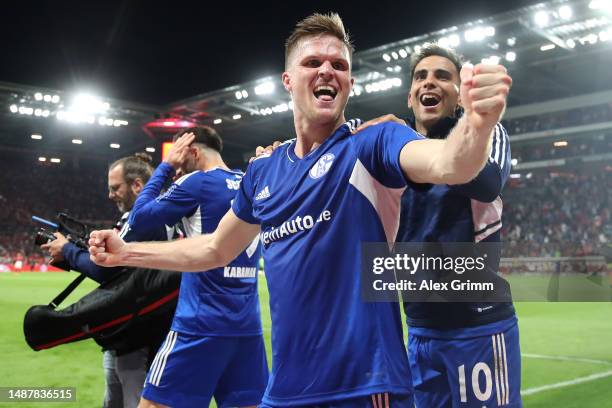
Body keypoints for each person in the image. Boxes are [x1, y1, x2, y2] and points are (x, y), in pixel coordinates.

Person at [88, 13, 511, 407]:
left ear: (349, 83)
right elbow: (214, 249)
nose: (328, 70)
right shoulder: (263, 170)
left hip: (367, 389)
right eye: (313, 62)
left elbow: (449, 164)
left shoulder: (371, 145)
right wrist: (127, 251)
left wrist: (476, 123)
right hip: (285, 392)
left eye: (339, 65)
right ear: (288, 80)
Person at [356, 43, 520, 407]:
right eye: (421, 77)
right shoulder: (391, 155)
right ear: (410, 98)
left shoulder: (486, 136)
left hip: (477, 326)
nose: (429, 82)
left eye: (443, 76)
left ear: (460, 96)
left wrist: (424, 143)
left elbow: (486, 182)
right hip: (418, 330)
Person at [123, 126, 267, 408]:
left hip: (200, 324)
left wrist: (165, 167)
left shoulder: (196, 183)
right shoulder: (251, 182)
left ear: (192, 150)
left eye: (179, 151)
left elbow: (137, 221)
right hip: (247, 327)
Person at [42, 153, 174, 408]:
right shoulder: (154, 213)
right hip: (129, 330)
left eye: (116, 188)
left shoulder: (143, 217)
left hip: (140, 333)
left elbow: (106, 269)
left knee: (134, 400)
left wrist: (68, 250)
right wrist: (68, 255)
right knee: (114, 398)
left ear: (137, 185)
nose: (110, 195)